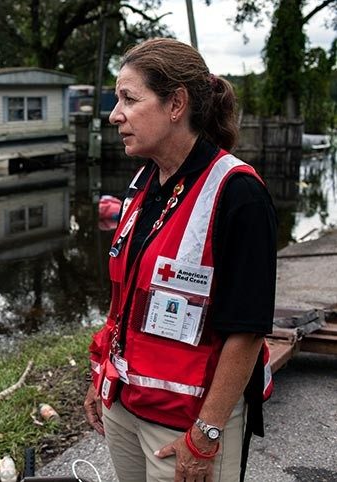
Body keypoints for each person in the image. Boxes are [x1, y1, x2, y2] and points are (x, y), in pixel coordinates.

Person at [83, 38, 276, 482]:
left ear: (176, 104)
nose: (115, 115)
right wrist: (101, 375)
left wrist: (205, 434)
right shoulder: (145, 181)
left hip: (189, 426)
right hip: (124, 409)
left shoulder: (238, 194)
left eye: (129, 99)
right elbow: (125, 299)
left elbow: (246, 331)